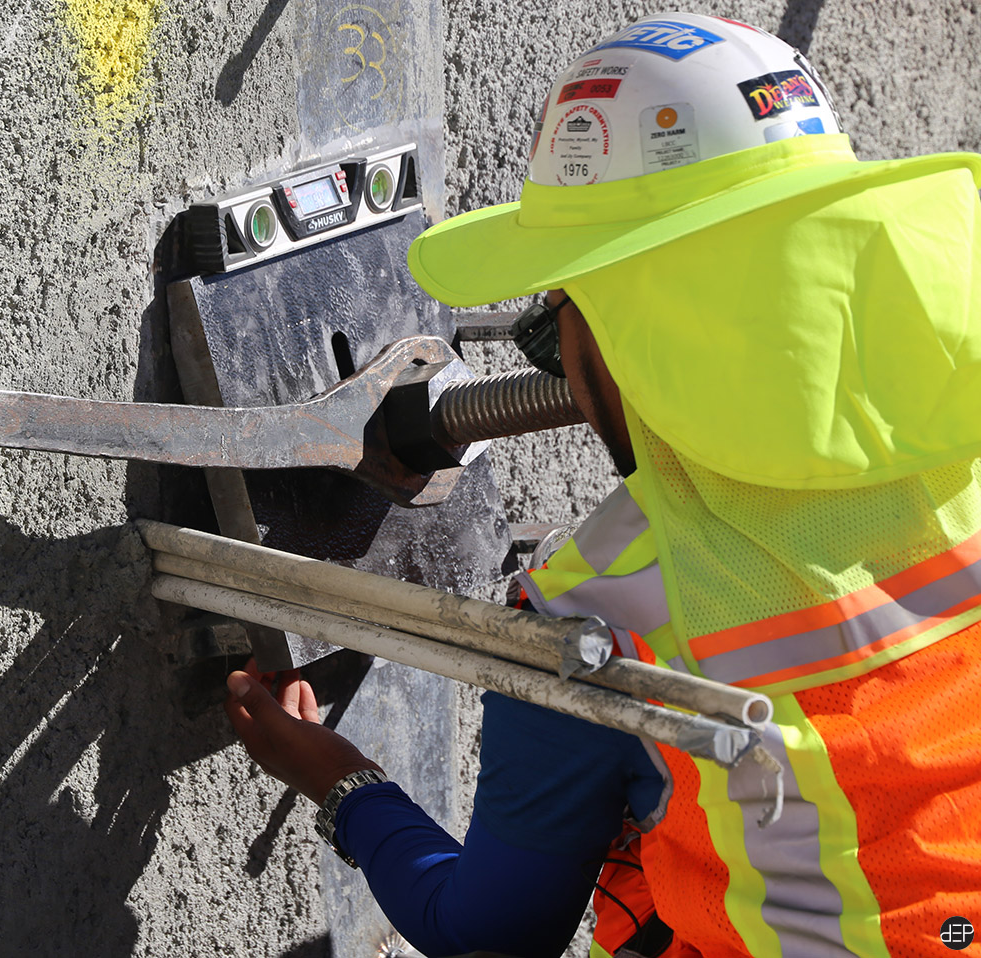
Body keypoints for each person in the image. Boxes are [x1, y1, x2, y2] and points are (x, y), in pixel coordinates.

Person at [225, 12, 981, 957]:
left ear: (634, 333)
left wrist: (339, 781)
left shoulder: (603, 604)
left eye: (554, 334)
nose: (563, 378)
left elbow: (493, 933)